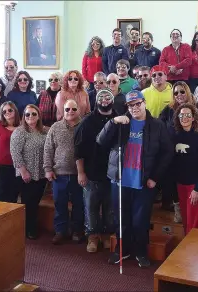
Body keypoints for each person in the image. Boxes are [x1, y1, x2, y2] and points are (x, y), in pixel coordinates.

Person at [97, 90, 173, 268]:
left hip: (144, 181)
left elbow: (167, 153)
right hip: (120, 180)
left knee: (141, 220)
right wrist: (113, 122)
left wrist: (155, 177)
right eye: (131, 105)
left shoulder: (157, 125)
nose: (135, 108)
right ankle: (123, 250)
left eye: (138, 103)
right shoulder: (121, 122)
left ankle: (141, 251)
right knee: (121, 219)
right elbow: (100, 141)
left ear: (144, 103)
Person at [159, 81, 198, 222]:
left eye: (182, 91)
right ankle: (178, 209)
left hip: (195, 157)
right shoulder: (169, 109)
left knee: (193, 215)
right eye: (176, 93)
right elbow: (160, 125)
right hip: (174, 155)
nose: (179, 95)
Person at [74, 89, 117, 253]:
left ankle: (106, 235)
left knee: (109, 207)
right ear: (96, 101)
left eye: (108, 97)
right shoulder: (87, 122)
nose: (105, 100)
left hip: (112, 173)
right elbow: (78, 150)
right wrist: (81, 172)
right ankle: (92, 236)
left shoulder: (119, 118)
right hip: (91, 172)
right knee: (91, 206)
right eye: (101, 97)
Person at [44, 99, 84, 244]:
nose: (70, 112)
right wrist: (48, 169)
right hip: (58, 174)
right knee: (59, 204)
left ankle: (77, 231)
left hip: (78, 174)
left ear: (78, 110)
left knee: (79, 205)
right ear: (63, 110)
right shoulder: (55, 127)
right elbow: (48, 149)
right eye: (67, 109)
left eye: (73, 109)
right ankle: (60, 231)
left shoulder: (84, 126)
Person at [10, 105, 48, 239]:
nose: (30, 117)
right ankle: (28, 229)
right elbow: (15, 153)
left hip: (42, 173)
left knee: (36, 202)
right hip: (26, 174)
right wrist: (23, 171)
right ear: (23, 117)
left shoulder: (45, 131)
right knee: (28, 203)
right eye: (27, 114)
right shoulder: (19, 132)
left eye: (33, 114)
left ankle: (32, 226)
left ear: (38, 116)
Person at [172, 103, 198, 234]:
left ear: (193, 118)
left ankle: (192, 250)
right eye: (182, 115)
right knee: (185, 221)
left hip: (195, 186)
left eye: (188, 115)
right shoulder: (175, 137)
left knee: (193, 223)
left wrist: (197, 188)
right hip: (180, 185)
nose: (184, 118)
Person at [0, 101, 21, 203]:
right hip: (2, 167)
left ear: (15, 111)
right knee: (2, 195)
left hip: (18, 166)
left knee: (14, 194)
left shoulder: (22, 126)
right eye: (4, 111)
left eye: (10, 110)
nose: (7, 112)